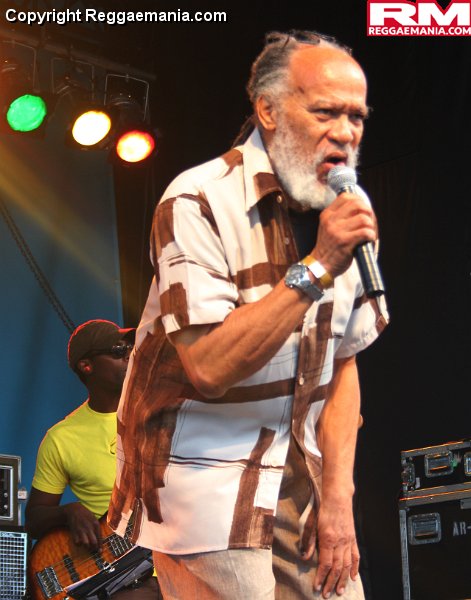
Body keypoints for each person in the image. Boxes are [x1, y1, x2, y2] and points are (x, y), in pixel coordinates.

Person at [108, 30, 389, 600]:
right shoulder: (196, 200)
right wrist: (317, 267)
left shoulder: (349, 212)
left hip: (299, 475)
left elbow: (344, 365)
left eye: (356, 116)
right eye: (326, 112)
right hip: (204, 479)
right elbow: (210, 366)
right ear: (269, 110)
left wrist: (339, 499)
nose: (345, 131)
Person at [25, 319, 160, 599]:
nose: (128, 355)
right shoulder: (62, 438)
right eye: (117, 351)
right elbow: (34, 519)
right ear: (87, 366)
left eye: (129, 349)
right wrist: (69, 512)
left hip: (181, 562)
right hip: (124, 578)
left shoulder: (161, 416)